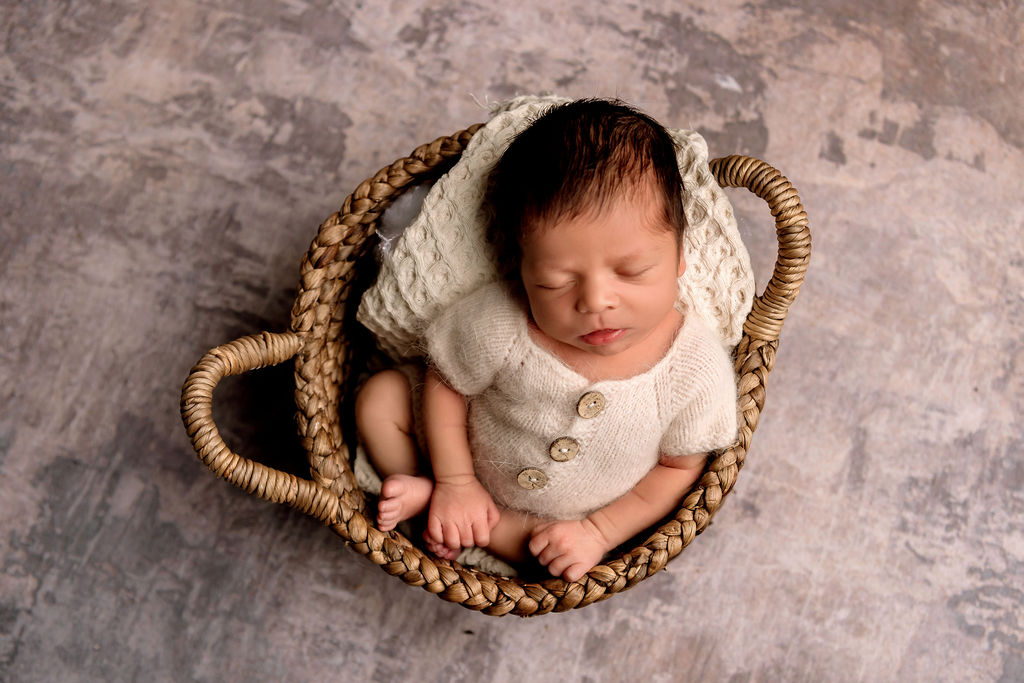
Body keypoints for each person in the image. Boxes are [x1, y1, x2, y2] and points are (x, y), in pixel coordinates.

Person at [355, 99, 738, 582]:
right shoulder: (502, 320)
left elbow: (679, 470)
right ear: (521, 268)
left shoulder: (694, 369)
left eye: (632, 271)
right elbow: (446, 382)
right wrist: (456, 480)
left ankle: (437, 508)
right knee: (380, 399)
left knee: (546, 552)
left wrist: (598, 533)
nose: (596, 301)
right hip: (449, 455)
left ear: (680, 258)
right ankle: (435, 491)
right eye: (556, 282)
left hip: (554, 521)